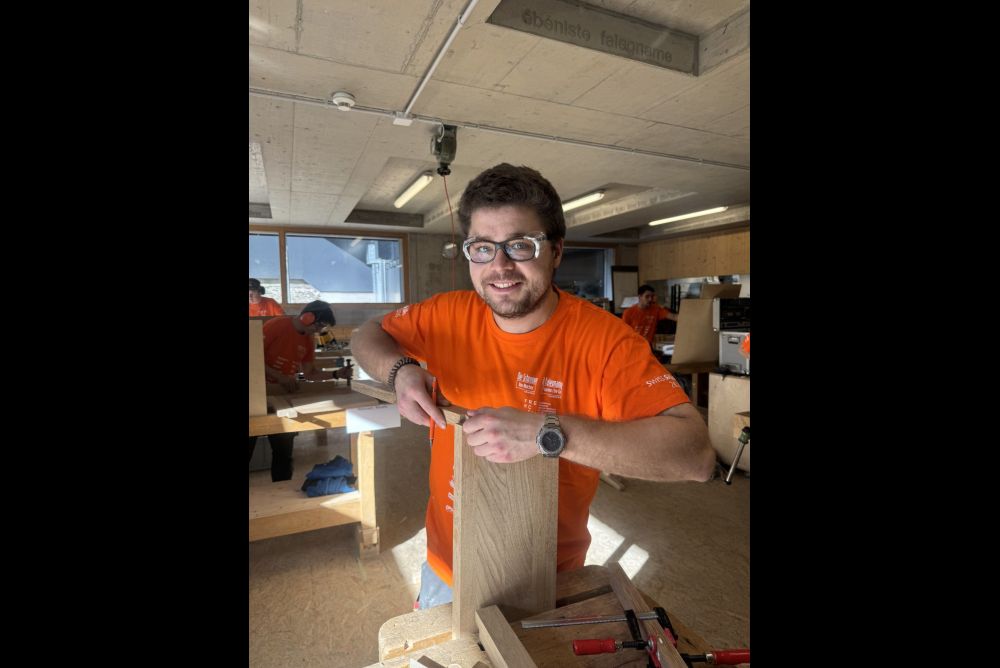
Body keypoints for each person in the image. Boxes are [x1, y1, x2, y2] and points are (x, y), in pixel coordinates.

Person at [352, 163, 715, 610]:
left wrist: (547, 434)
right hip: (447, 566)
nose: (499, 266)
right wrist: (401, 370)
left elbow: (696, 456)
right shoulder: (447, 314)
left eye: (520, 245)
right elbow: (367, 333)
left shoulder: (605, 343)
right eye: (482, 248)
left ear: (556, 251)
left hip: (546, 581)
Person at [249, 300, 351, 481]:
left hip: (282, 399)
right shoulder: (277, 325)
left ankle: (282, 490)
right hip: (255, 395)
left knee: (283, 454)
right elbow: (252, 357)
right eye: (319, 325)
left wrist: (336, 374)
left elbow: (310, 374)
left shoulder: (308, 339)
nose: (318, 331)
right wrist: (280, 377)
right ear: (308, 317)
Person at [622, 285, 677, 349]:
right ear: (640, 297)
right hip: (633, 346)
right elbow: (623, 332)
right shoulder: (628, 312)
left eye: (652, 296)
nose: (650, 299)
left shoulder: (656, 309)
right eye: (647, 296)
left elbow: (673, 316)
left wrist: (686, 317)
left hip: (647, 346)